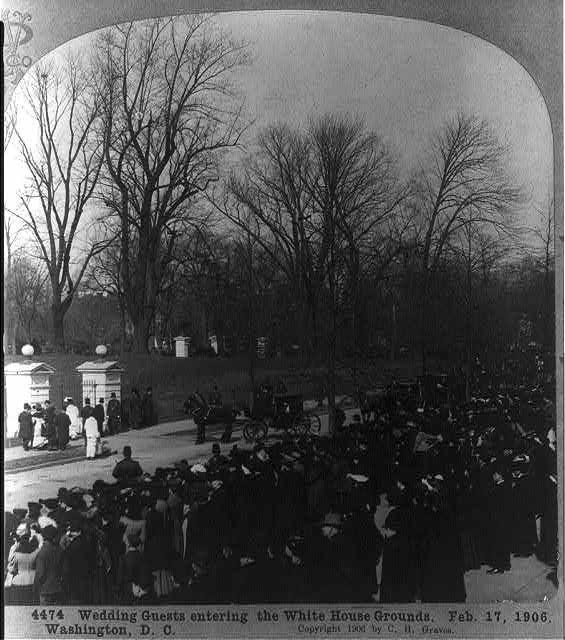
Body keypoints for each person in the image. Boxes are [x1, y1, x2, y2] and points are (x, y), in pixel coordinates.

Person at [34, 525, 63, 605]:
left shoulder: (42, 552)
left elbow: (40, 574)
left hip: (45, 589)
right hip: (57, 587)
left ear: (43, 536)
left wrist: (36, 586)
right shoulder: (59, 550)